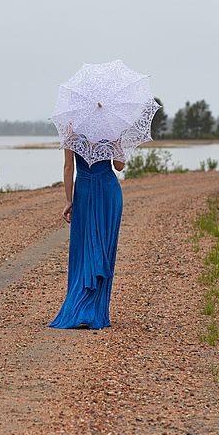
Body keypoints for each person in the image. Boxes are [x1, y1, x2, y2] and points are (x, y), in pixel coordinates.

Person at [48, 139, 124, 329]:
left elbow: (68, 168)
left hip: (84, 190)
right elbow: (119, 166)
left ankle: (81, 309)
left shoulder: (72, 131)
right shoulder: (111, 129)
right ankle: (95, 311)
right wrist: (118, 141)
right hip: (109, 190)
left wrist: (68, 200)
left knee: (83, 249)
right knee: (104, 250)